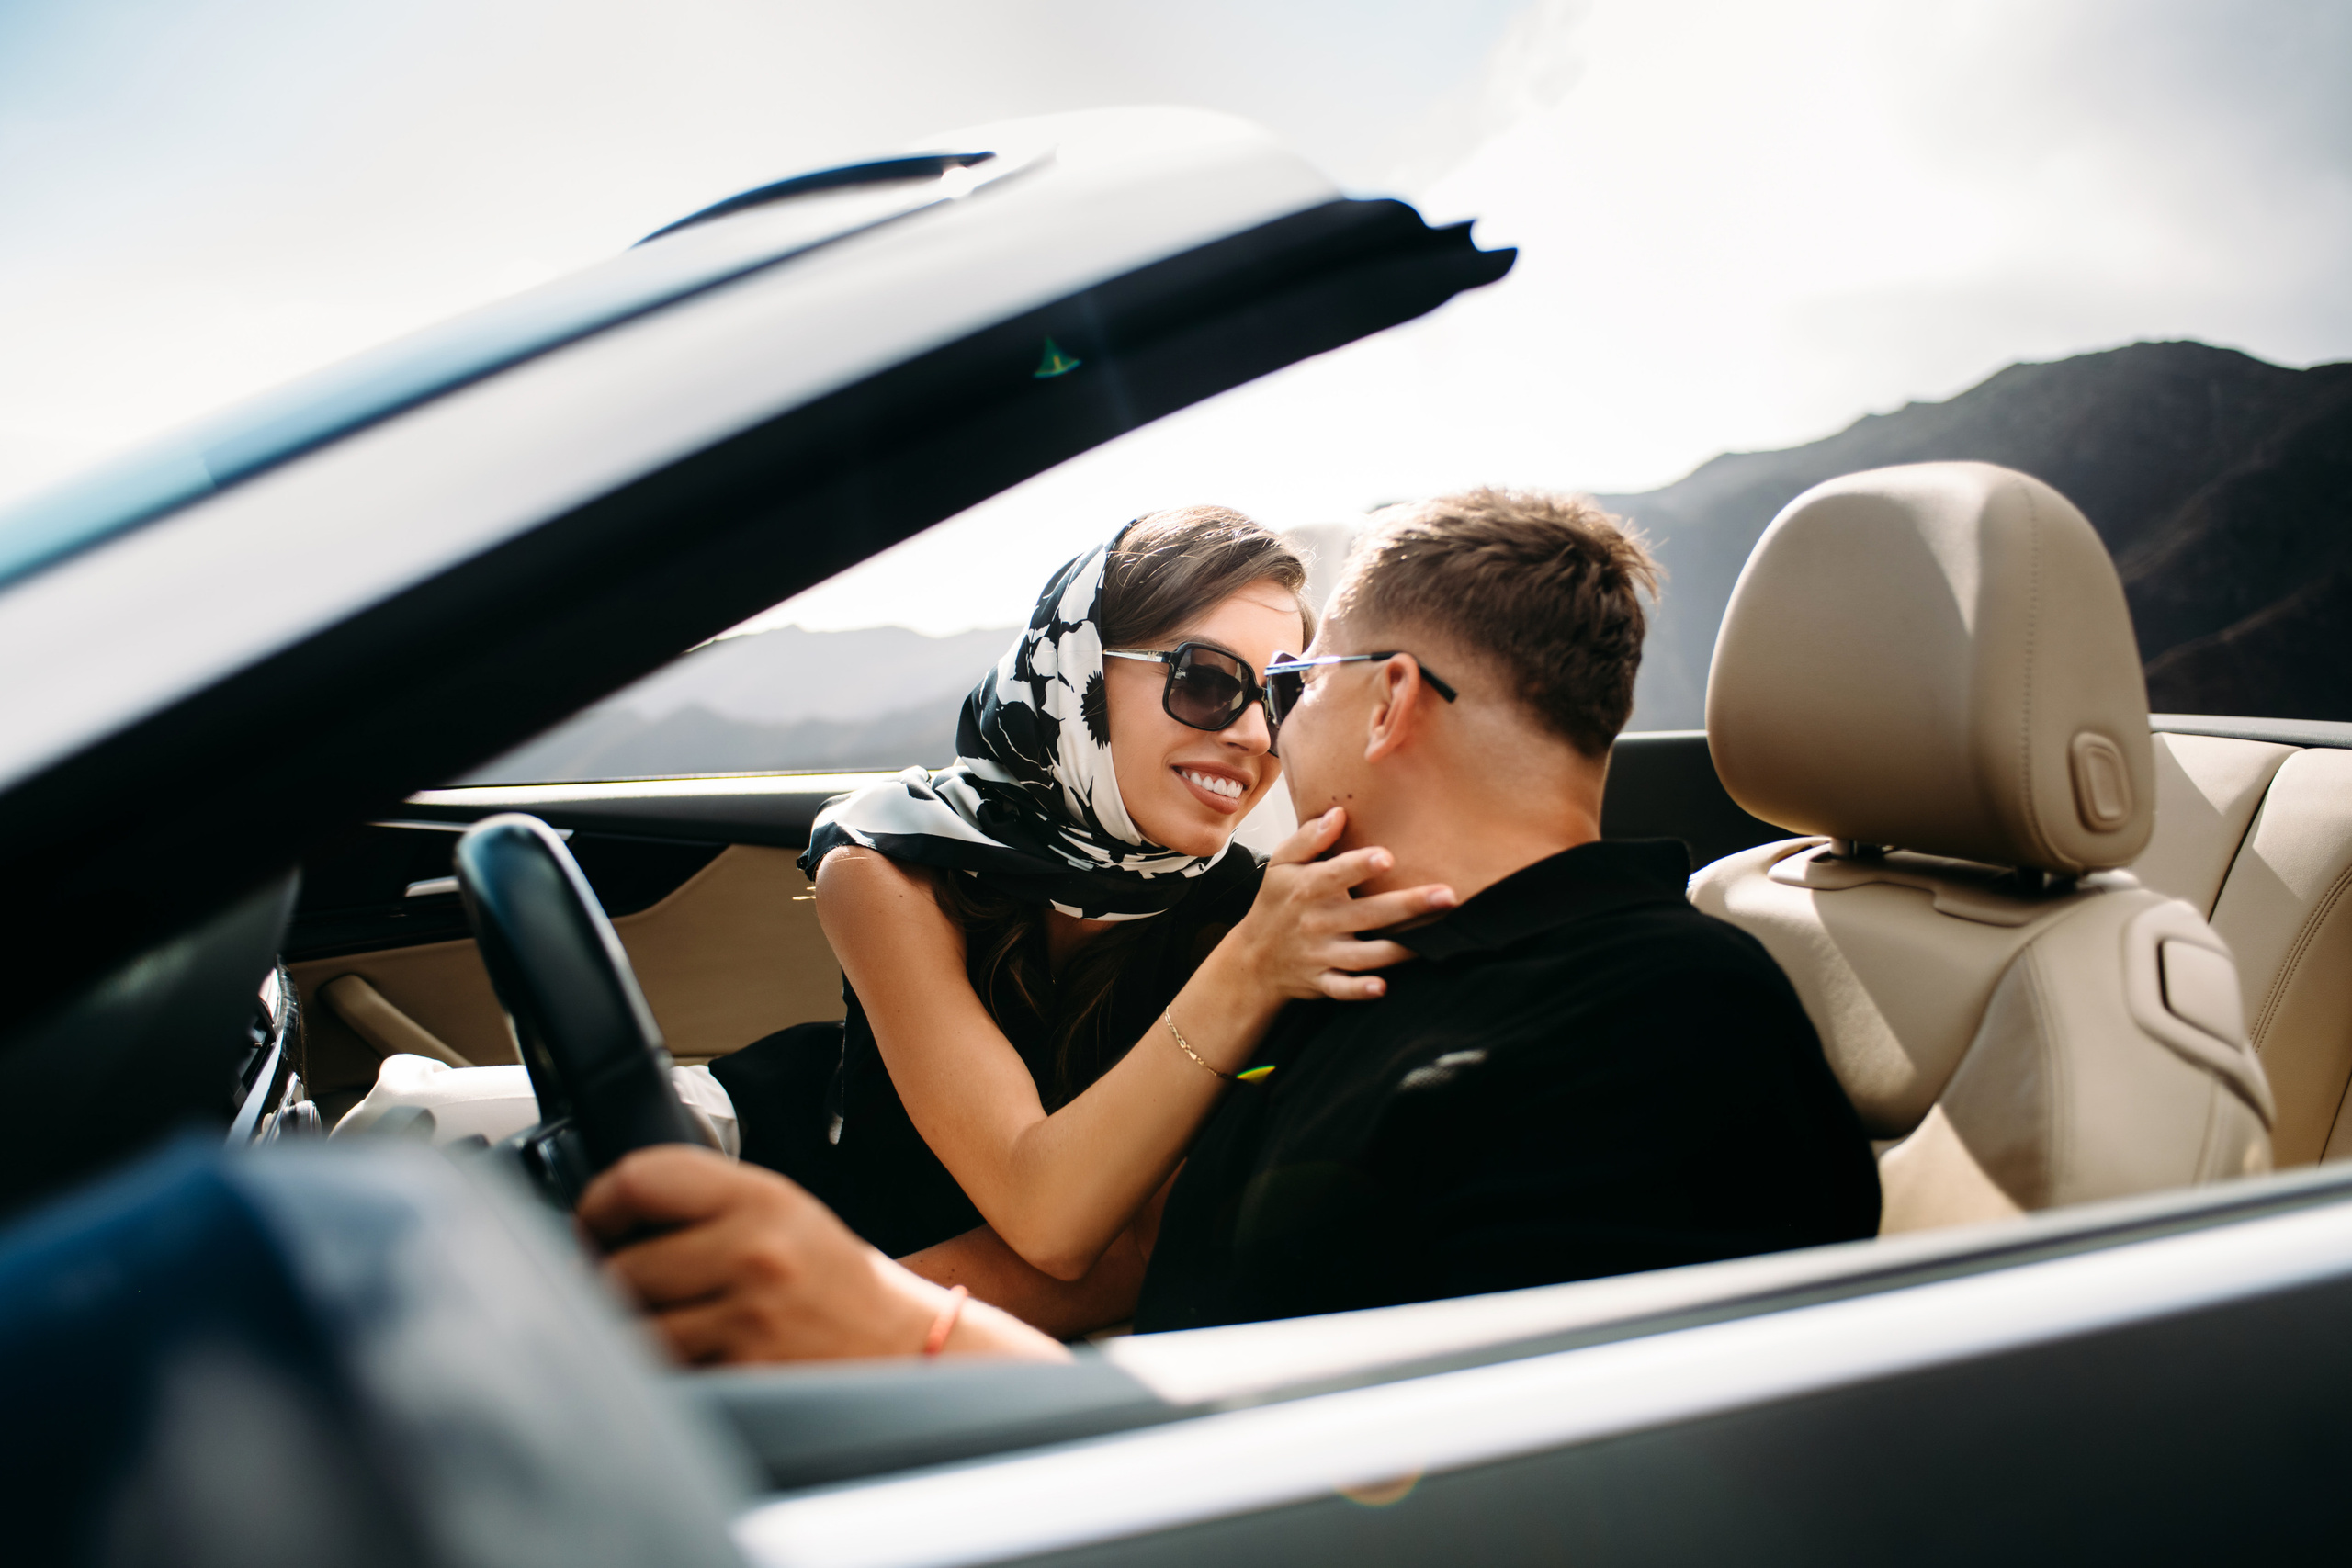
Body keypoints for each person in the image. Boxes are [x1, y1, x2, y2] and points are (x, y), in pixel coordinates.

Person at [581, 487, 1881, 1359]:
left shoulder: (1663, 1025)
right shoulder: (1344, 953)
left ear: (1387, 704)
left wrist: (894, 1330)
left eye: (1292, 684)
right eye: (1221, 685)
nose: (1262, 735)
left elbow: (1429, 1482)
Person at [715, 506, 1455, 1332]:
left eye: (1279, 698)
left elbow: (1135, 1253)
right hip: (795, 1196)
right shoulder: (890, 858)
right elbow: (1044, 1211)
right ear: (1080, 673)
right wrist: (782, 1326)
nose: (1254, 735)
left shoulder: (1257, 918)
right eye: (1206, 681)